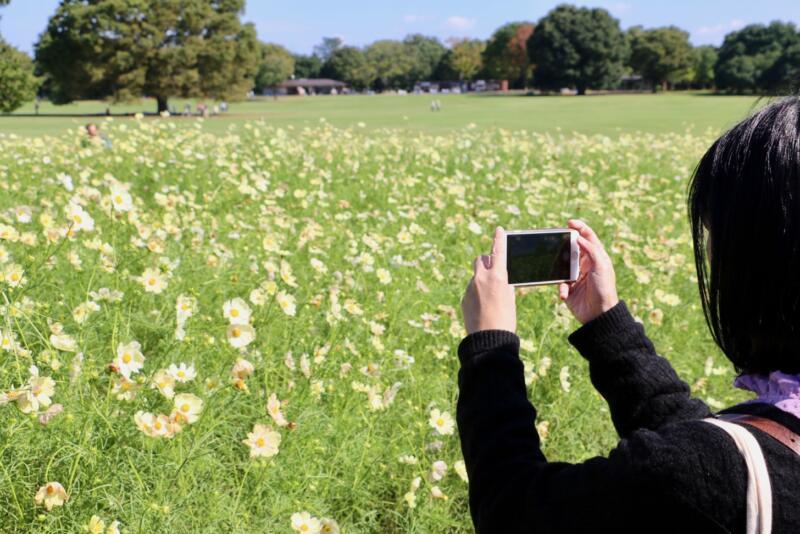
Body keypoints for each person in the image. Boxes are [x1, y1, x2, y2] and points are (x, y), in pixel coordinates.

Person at [457, 96, 800, 533]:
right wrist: (606, 322)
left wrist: (490, 349)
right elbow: (725, 457)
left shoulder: (704, 474)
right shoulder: (727, 466)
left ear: (766, 264)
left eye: (719, 237)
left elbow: (512, 509)